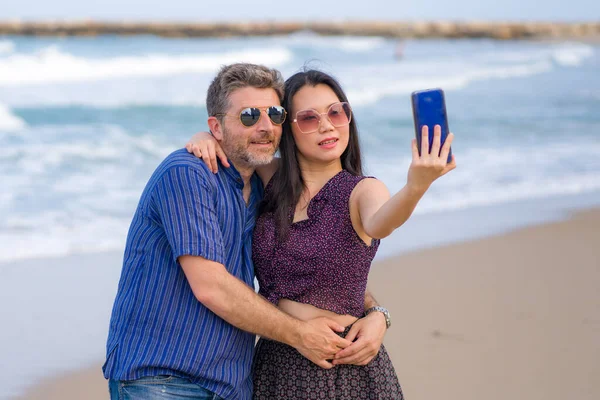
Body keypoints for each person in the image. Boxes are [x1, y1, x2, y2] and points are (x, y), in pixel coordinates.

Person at [103, 63, 388, 400]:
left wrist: (376, 314)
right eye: (250, 116)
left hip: (232, 384)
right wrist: (300, 335)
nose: (266, 127)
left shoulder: (263, 189)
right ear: (216, 127)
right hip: (164, 379)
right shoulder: (188, 174)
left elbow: (314, 271)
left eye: (276, 115)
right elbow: (212, 287)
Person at [186, 68, 456, 398]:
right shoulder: (271, 180)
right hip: (274, 366)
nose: (326, 125)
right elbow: (238, 142)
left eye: (335, 112)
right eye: (309, 118)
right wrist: (205, 138)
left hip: (343, 371)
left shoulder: (362, 191)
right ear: (288, 128)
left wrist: (416, 186)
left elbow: (381, 221)